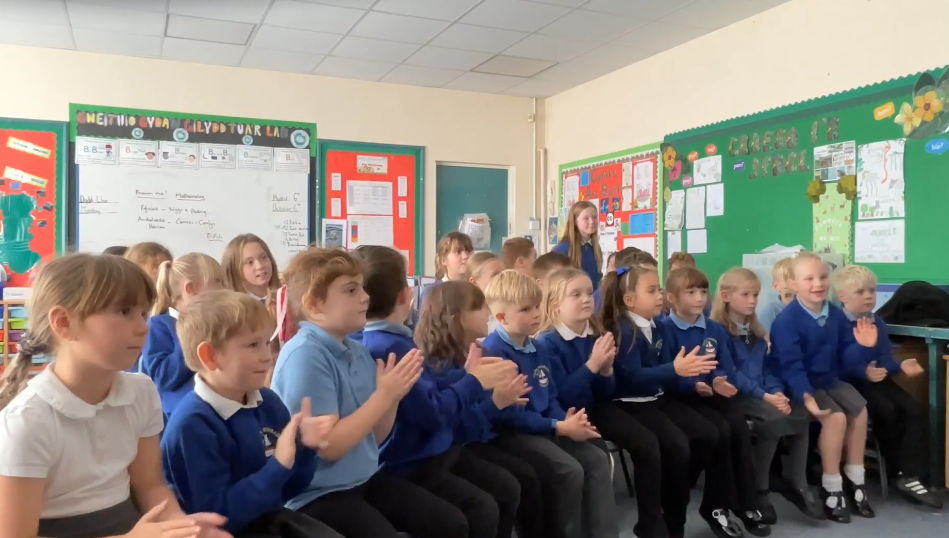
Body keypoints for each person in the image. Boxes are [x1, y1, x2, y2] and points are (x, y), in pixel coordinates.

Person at [0, 253, 229, 538]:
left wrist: (185, 528)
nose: (143, 326)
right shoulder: (27, 422)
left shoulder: (141, 392)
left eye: (144, 313)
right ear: (63, 322)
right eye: (124, 312)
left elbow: (150, 486)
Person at [270, 247, 471, 538]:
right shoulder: (305, 355)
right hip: (317, 496)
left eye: (362, 287)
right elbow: (330, 447)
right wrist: (384, 397)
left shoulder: (357, 351)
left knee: (450, 523)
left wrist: (391, 399)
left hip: (362, 480)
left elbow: (373, 437)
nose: (365, 297)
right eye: (351, 291)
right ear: (315, 305)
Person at [350, 245, 521, 538]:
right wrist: (475, 382)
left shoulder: (393, 342)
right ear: (405, 295)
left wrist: (470, 375)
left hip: (430, 455)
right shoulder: (390, 348)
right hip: (411, 463)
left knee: (505, 489)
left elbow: (430, 391)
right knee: (481, 508)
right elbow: (434, 413)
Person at [161, 290, 342, 537]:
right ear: (210, 356)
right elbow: (219, 519)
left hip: (268, 521)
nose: (267, 356)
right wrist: (278, 465)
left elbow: (289, 489)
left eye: (267, 342)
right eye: (253, 345)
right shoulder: (192, 424)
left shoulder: (267, 402)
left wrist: (305, 449)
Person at [482, 270, 618, 538]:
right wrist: (560, 426)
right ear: (501, 318)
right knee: (569, 470)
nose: (536, 313)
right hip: (513, 434)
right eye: (526, 309)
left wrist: (564, 420)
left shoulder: (537, 348)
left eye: (536, 306)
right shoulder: (494, 351)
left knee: (598, 458)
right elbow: (510, 416)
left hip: (545, 425)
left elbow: (550, 396)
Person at [599, 265, 732, 538]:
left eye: (659, 289)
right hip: (630, 402)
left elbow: (670, 366)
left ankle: (673, 499)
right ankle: (662, 521)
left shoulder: (658, 326)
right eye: (651, 291)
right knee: (676, 446)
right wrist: (676, 370)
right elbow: (633, 377)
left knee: (708, 434)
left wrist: (690, 376)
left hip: (657, 398)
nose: (659, 295)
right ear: (629, 301)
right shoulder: (622, 330)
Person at [535, 267, 666, 538]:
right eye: (575, 294)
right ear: (554, 303)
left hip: (597, 407)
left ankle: (651, 522)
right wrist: (593, 365)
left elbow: (605, 392)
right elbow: (561, 396)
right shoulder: (548, 343)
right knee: (597, 460)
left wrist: (606, 371)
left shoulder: (593, 336)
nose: (586, 299)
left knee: (648, 442)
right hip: (567, 413)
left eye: (587, 293)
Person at [419, 283, 543, 538]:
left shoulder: (476, 350)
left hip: (469, 444)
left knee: (519, 480)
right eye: (478, 307)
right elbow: (456, 424)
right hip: (446, 453)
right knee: (498, 493)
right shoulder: (437, 364)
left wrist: (502, 398)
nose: (487, 311)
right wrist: (497, 401)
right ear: (456, 318)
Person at [659, 267, 768, 536]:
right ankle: (705, 506)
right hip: (679, 397)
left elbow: (724, 367)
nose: (699, 298)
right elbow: (665, 375)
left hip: (709, 393)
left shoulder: (714, 329)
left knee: (737, 427)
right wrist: (695, 384)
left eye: (703, 292)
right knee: (717, 433)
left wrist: (717, 380)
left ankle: (736, 503)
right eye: (691, 292)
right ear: (672, 298)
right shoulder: (665, 329)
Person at [770, 252, 878, 523]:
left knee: (860, 411)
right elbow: (790, 366)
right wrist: (806, 397)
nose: (818, 283)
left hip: (829, 380)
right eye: (809, 278)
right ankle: (832, 487)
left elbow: (846, 357)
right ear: (793, 283)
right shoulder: (787, 321)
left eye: (822, 277)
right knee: (836, 418)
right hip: (800, 384)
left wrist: (864, 347)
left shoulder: (836, 315)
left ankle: (856, 480)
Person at [710, 268, 824, 521]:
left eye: (756, 295)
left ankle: (798, 480)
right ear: (726, 296)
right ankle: (758, 487)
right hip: (735, 397)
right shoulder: (718, 331)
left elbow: (769, 369)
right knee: (774, 421)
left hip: (762, 395)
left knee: (800, 413)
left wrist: (775, 391)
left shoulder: (758, 334)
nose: (752, 300)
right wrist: (764, 395)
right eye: (746, 294)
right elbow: (731, 373)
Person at [834, 265, 940, 508]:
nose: (868, 296)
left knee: (915, 410)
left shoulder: (877, 323)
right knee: (887, 412)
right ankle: (898, 471)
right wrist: (863, 371)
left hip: (878, 380)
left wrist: (900, 366)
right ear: (843, 296)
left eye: (872, 290)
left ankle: (909, 475)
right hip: (850, 382)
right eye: (860, 292)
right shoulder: (836, 324)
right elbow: (836, 365)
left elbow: (884, 361)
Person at [141, 253, 225, 417]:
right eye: (217, 282)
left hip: (218, 411)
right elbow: (163, 377)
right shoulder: (160, 324)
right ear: (190, 289)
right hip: (182, 416)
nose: (223, 289)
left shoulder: (218, 323)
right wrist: (194, 332)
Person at [552, 201, 602, 291]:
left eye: (594, 217)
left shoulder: (593, 248)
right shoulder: (562, 249)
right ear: (575, 221)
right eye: (586, 218)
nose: (592, 221)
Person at [222, 233, 282, 302]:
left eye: (263, 257)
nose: (260, 266)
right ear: (235, 269)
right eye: (250, 262)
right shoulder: (232, 306)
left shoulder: (288, 297)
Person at [757, 257, 795, 333]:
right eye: (787, 280)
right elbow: (764, 339)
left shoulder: (810, 308)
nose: (793, 283)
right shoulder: (771, 311)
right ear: (776, 286)